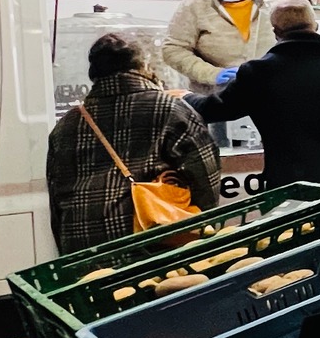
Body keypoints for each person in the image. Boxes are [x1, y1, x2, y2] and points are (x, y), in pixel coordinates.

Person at [192, 0, 320, 188]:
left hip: (290, 190)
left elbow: (213, 109)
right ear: (315, 26)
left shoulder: (257, 73)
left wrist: (184, 98)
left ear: (276, 31)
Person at [46, 33, 220, 253]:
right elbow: (205, 174)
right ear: (143, 65)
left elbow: (56, 196)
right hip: (152, 238)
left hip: (83, 244)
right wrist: (197, 221)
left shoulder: (67, 125)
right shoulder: (169, 109)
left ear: (94, 73)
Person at [162, 0, 276, 98]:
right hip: (213, 97)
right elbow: (173, 49)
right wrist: (211, 74)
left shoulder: (271, 5)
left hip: (266, 93)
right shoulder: (194, 7)